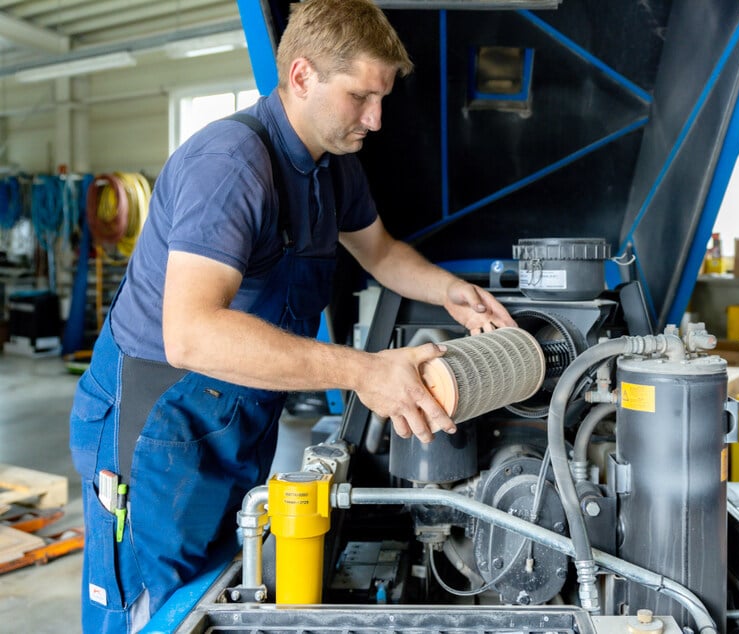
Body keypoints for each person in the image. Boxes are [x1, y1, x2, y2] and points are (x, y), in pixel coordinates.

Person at [68, 0, 515, 631]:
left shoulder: (333, 169)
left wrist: (451, 291)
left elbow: (381, 253)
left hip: (237, 424)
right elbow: (191, 335)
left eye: (382, 98)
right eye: (361, 96)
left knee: (216, 591)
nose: (377, 118)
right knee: (155, 615)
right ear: (301, 76)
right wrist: (363, 371)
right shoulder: (230, 167)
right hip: (159, 434)